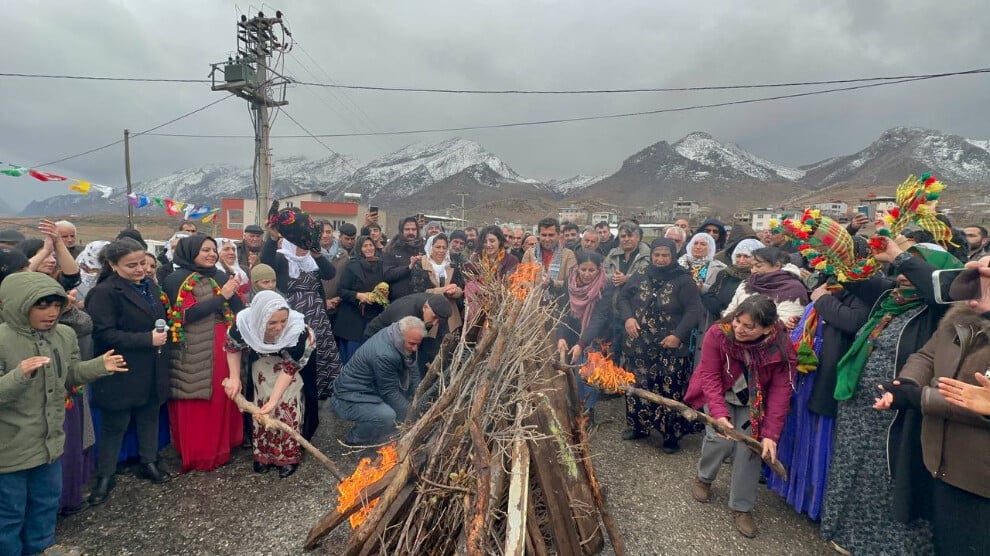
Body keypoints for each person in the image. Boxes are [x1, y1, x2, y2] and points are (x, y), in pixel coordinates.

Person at [820, 242, 960, 556]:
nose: (903, 276)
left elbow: (943, 287)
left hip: (898, 411)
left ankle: (884, 548)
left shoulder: (941, 311)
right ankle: (846, 535)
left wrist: (901, 256)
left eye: (913, 268)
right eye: (900, 271)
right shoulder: (890, 300)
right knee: (851, 468)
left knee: (886, 477)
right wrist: (830, 245)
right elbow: (855, 278)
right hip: (860, 407)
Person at [0, 272, 127, 556]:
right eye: (41, 306)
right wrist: (18, 375)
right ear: (18, 305)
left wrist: (98, 366)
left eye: (57, 306)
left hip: (50, 444)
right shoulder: (2, 339)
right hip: (9, 449)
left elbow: (70, 376)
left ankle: (41, 548)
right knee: (9, 513)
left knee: (46, 503)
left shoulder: (65, 334)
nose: (51, 313)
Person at [872, 256, 990, 554]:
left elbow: (978, 403)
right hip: (940, 461)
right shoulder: (959, 319)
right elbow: (926, 356)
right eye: (973, 284)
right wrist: (907, 385)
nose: (973, 298)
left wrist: (920, 398)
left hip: (979, 476)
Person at [684, 295, 795, 539]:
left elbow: (781, 390)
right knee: (719, 439)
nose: (739, 329)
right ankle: (704, 478)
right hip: (721, 393)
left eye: (749, 326)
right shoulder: (719, 333)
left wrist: (770, 435)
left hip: (754, 400)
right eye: (738, 322)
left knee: (752, 449)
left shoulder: (781, 345)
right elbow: (710, 376)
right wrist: (720, 415)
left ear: (767, 328)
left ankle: (742, 506)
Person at [86, 239, 172, 505]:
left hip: (151, 366)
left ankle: (148, 460)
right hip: (121, 366)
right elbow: (103, 333)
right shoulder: (105, 292)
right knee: (115, 424)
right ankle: (105, 475)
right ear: (113, 265)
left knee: (149, 415)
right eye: (131, 265)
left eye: (142, 264)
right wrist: (147, 339)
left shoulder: (150, 287)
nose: (139, 270)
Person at [163, 235, 245, 473]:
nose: (211, 254)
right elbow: (186, 315)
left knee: (222, 395)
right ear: (190, 252)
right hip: (194, 349)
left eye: (213, 249)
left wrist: (234, 295)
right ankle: (202, 453)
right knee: (198, 398)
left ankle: (225, 446)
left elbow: (238, 309)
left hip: (223, 345)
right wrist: (223, 296)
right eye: (204, 250)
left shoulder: (220, 276)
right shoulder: (176, 279)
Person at [619, 238, 703, 453]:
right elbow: (623, 298)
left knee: (669, 388)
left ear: (673, 256)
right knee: (638, 385)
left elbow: (694, 311)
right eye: (657, 255)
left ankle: (670, 435)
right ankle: (639, 426)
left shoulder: (684, 280)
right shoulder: (640, 275)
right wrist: (628, 318)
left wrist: (678, 335)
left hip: (669, 346)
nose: (660, 259)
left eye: (665, 255)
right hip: (639, 345)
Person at [225, 290, 314, 479]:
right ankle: (263, 455)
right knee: (259, 409)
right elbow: (232, 347)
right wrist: (234, 377)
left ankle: (289, 456)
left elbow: (290, 368)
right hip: (262, 366)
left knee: (286, 407)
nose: (279, 327)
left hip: (289, 370)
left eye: (283, 320)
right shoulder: (244, 325)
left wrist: (274, 399)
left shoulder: (297, 331)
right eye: (272, 322)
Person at [263, 208, 342, 401]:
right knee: (297, 351)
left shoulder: (311, 260)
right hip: (293, 315)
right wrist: (272, 238)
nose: (303, 250)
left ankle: (322, 391)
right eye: (300, 246)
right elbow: (264, 263)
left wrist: (317, 255)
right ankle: (294, 391)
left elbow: (330, 273)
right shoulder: (282, 258)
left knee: (321, 351)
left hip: (317, 315)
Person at [331, 317, 426, 445]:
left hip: (370, 389)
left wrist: (417, 395)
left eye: (417, 344)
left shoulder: (396, 333)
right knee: (387, 416)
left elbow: (412, 366)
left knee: (402, 407)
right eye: (412, 344)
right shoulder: (385, 354)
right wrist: (413, 416)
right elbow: (389, 392)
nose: (415, 348)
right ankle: (355, 439)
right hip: (348, 397)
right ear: (401, 336)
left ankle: (377, 431)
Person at [557, 251, 612, 418]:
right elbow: (563, 311)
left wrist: (582, 344)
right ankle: (577, 408)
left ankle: (588, 411)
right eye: (584, 269)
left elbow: (598, 318)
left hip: (597, 334)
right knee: (575, 372)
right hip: (574, 329)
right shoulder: (570, 282)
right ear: (577, 268)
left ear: (598, 269)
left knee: (589, 373)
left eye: (591, 270)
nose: (587, 274)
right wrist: (561, 336)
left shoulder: (604, 285)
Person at [722, 246, 808, 325]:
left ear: (777, 265)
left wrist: (749, 329)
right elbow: (731, 309)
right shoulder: (747, 283)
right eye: (752, 266)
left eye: (758, 266)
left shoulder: (793, 289)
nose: (753, 271)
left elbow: (784, 321)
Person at [335, 235, 387, 364]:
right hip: (352, 320)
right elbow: (341, 291)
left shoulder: (381, 265)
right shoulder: (352, 265)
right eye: (365, 246)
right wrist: (358, 295)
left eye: (371, 245)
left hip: (373, 316)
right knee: (352, 358)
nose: (369, 248)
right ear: (359, 248)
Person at [410, 233, 464, 332]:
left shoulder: (452, 265)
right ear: (431, 247)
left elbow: (461, 288)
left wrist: (454, 291)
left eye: (444, 248)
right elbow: (417, 292)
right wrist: (442, 290)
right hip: (429, 314)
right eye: (438, 247)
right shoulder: (420, 265)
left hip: (450, 315)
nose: (441, 250)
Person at [521, 218, 576, 307]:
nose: (547, 239)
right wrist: (537, 285)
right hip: (533, 308)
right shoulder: (530, 253)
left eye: (551, 235)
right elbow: (522, 279)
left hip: (558, 307)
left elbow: (572, 283)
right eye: (544, 235)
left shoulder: (568, 255)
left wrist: (552, 283)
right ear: (539, 235)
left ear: (558, 235)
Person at [383, 216, 426, 302]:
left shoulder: (424, 247)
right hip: (399, 300)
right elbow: (387, 274)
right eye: (407, 229)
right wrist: (408, 267)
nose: (411, 232)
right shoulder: (391, 248)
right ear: (401, 230)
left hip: (421, 299)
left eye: (414, 229)